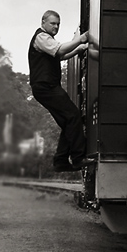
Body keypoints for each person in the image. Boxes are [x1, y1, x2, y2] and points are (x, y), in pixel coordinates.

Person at [29, 10, 94, 172]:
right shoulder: (41, 37)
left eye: (58, 24)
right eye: (53, 23)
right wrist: (81, 39)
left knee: (67, 122)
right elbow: (59, 50)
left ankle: (61, 161)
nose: (56, 27)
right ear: (43, 22)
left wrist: (78, 49)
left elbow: (61, 56)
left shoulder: (48, 40)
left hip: (46, 87)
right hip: (46, 87)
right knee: (73, 116)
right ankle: (78, 158)